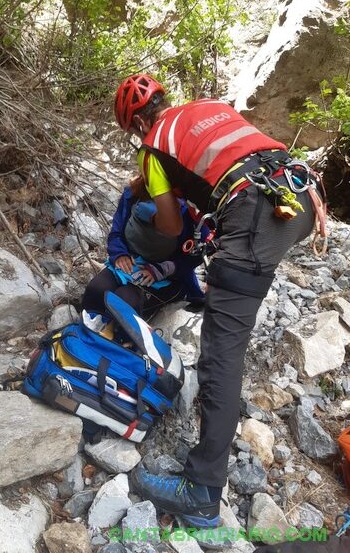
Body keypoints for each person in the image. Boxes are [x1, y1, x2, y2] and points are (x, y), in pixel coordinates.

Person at [113, 74, 325, 528]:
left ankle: (203, 491)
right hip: (296, 191)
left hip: (256, 211)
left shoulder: (151, 147)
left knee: (220, 356)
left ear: (134, 126)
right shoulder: (207, 108)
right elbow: (221, 158)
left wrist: (151, 190)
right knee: (232, 301)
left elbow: (170, 227)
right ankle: (233, 292)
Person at [81, 177, 209, 321]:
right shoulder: (133, 194)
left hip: (168, 277)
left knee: (125, 301)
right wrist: (119, 254)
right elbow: (116, 232)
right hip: (131, 262)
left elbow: (196, 255)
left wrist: (163, 269)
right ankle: (85, 333)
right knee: (96, 290)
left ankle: (119, 339)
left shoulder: (192, 216)